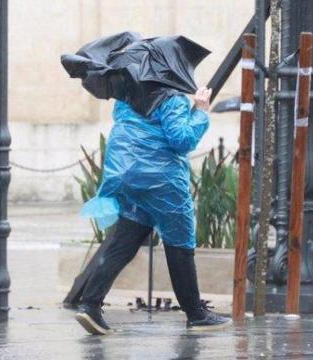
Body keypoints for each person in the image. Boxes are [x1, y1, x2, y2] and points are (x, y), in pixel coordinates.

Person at [73, 86, 231, 335]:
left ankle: (90, 304)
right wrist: (200, 112)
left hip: (129, 177)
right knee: (180, 242)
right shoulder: (172, 98)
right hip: (164, 184)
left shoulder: (125, 96)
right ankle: (195, 314)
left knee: (124, 241)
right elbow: (182, 140)